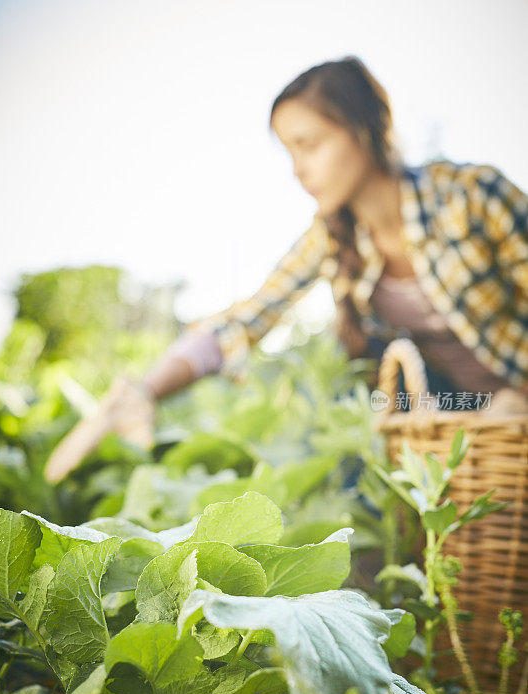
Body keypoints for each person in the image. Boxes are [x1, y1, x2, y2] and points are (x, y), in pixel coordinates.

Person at [44, 56, 528, 484]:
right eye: (289, 151)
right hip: (460, 420)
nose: (298, 169)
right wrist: (143, 391)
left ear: (363, 130)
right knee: (356, 430)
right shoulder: (331, 236)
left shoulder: (472, 197)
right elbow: (249, 318)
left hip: (518, 406)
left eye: (309, 144)